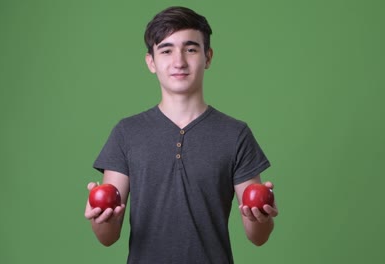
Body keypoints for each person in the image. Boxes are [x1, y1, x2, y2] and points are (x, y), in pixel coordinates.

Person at [84, 6, 279, 263]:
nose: (179, 61)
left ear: (208, 57)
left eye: (190, 49)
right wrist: (101, 217)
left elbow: (258, 237)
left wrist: (261, 217)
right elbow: (108, 237)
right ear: (151, 62)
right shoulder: (126, 133)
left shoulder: (236, 134)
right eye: (166, 50)